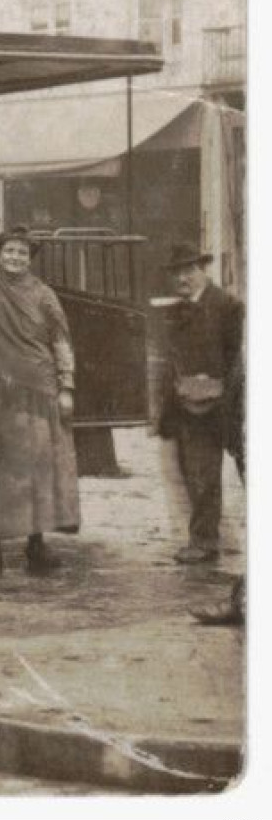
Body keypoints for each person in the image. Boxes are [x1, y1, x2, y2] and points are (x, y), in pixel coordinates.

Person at [0, 226, 79, 575]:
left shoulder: (44, 295)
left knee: (35, 469)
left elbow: (61, 342)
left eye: (22, 253)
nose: (15, 258)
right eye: (9, 251)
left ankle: (36, 544)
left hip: (38, 395)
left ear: (29, 259)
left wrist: (66, 387)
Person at [157, 244, 244, 578]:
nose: (183, 278)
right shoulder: (178, 309)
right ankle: (200, 535)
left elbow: (235, 358)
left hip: (214, 404)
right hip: (181, 403)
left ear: (202, 270)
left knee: (206, 474)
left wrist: (224, 396)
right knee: (187, 472)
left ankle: (205, 541)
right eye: (177, 272)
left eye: (189, 270)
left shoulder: (227, 306)